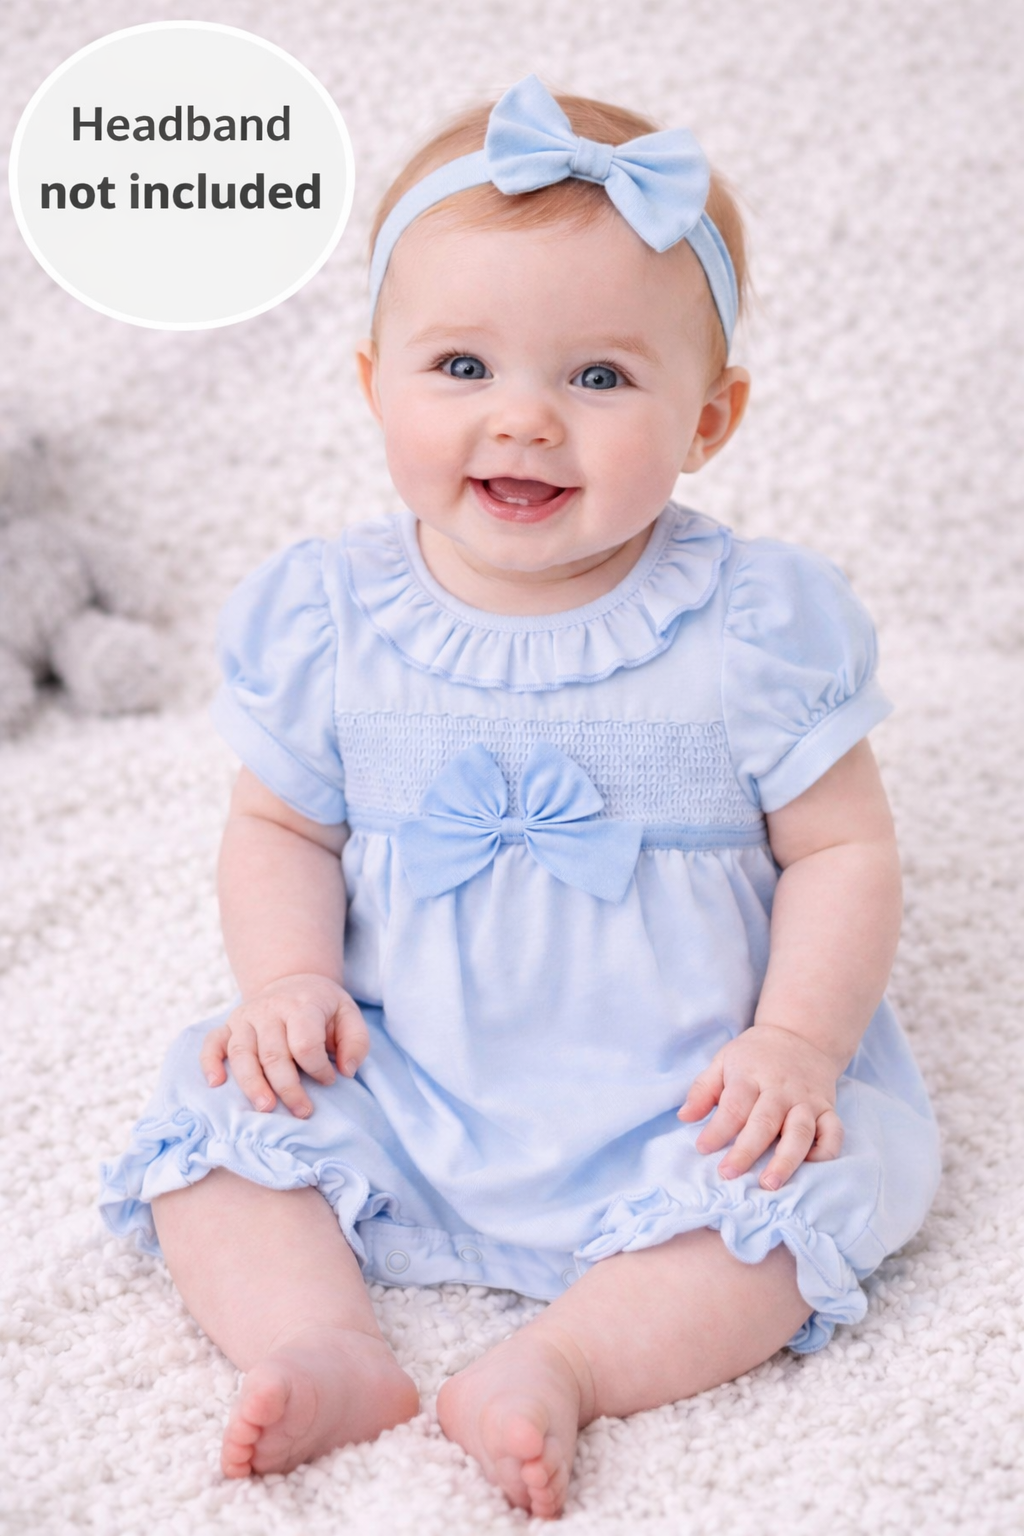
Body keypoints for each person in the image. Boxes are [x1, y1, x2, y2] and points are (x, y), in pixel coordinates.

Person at [99, 74, 941, 1520]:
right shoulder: (332, 616)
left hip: (683, 1087)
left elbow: (845, 850)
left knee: (811, 1197)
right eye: (462, 369)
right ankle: (326, 1343)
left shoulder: (751, 626)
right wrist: (291, 981)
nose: (525, 423)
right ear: (374, 386)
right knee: (217, 1137)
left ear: (711, 418)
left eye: (600, 378)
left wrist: (798, 1043)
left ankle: (563, 1364)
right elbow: (280, 824)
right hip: (403, 1062)